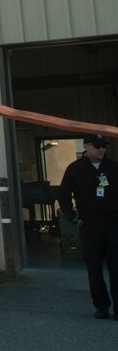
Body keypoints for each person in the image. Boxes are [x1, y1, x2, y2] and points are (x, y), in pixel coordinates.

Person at [56, 134, 118, 319]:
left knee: (116, 267)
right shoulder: (75, 169)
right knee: (94, 268)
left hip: (113, 223)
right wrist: (73, 218)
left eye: (104, 146)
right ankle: (101, 306)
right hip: (90, 225)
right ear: (86, 146)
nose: (101, 149)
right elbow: (64, 195)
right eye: (97, 145)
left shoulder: (113, 168)